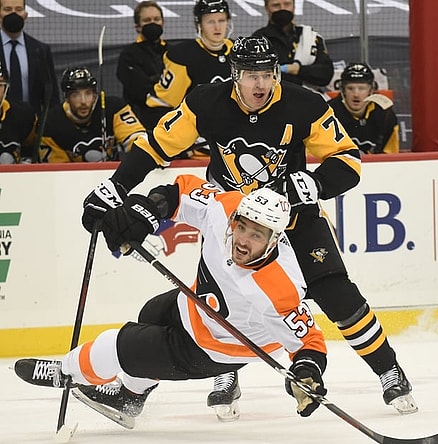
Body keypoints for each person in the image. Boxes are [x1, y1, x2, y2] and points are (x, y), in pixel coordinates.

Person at [79, 36, 418, 418]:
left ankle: (388, 370)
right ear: (234, 75)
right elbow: (157, 146)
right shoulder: (206, 101)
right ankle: (219, 375)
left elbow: (348, 159)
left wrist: (317, 184)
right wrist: (116, 186)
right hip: (232, 221)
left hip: (292, 217)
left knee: (339, 297)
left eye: (267, 74)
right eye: (250, 75)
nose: (260, 84)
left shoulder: (304, 103)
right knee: (221, 303)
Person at [15, 175, 329, 428]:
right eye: (242, 226)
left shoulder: (280, 287)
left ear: (275, 239)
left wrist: (307, 374)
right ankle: (129, 398)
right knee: (150, 314)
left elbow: (310, 342)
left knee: (117, 346)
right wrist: (145, 212)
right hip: (191, 306)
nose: (243, 240)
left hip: (214, 348)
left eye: (257, 235)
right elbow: (180, 193)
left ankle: (66, 372)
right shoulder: (226, 208)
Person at [142, 0, 232, 132]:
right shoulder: (183, 57)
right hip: (197, 140)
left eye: (222, 20)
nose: (217, 27)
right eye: (210, 21)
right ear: (199, 24)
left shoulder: (239, 52)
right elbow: (160, 105)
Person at [38, 66, 146, 163]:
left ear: (95, 95)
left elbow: (138, 141)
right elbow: (56, 171)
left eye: (88, 93)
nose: (83, 101)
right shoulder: (50, 123)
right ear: (66, 98)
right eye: (75, 95)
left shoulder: (115, 108)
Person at [251, 0, 333, 89]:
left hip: (307, 98)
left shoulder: (310, 36)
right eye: (276, 5)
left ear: (294, 6)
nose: (282, 8)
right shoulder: (258, 40)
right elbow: (258, 75)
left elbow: (325, 74)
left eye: (287, 4)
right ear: (266, 8)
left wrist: (296, 69)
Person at [0, 0, 58, 116]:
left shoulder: (40, 50)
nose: (13, 14)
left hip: (32, 126)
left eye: (18, 9)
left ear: (25, 14)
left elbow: (51, 95)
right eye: (7, 10)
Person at [328, 62, 399, 154]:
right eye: (350, 88)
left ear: (371, 90)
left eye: (361, 88)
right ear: (343, 90)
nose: (356, 94)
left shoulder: (385, 115)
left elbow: (391, 156)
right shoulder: (328, 113)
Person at [116, 1, 168, 116]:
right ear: (137, 27)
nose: (152, 23)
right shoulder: (128, 55)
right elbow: (139, 90)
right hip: (141, 117)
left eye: (156, 19)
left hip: (172, 117)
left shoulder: (174, 52)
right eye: (147, 20)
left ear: (163, 22)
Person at [0, 64, 36, 163]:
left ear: (6, 87)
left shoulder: (23, 115)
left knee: (6, 158)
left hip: (13, 176)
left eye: (0, 85)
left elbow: (33, 150)